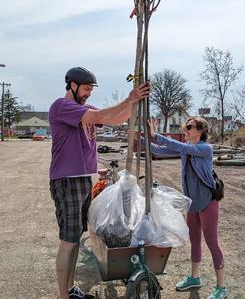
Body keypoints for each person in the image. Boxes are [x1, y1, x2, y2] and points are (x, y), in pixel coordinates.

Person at [49, 66, 150, 299]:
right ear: (72, 85)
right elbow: (99, 117)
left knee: (74, 240)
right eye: (85, 89)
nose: (88, 94)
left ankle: (71, 289)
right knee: (68, 240)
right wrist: (129, 98)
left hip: (83, 179)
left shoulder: (85, 109)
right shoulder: (62, 106)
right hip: (67, 180)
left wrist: (134, 101)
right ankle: (63, 296)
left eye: (90, 90)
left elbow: (115, 118)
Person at [147, 116, 227, 299]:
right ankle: (194, 277)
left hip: (208, 204)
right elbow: (159, 150)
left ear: (200, 130)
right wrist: (141, 138)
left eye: (189, 127)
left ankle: (221, 287)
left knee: (212, 244)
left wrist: (156, 134)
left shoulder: (205, 149)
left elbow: (181, 147)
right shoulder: (187, 150)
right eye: (185, 127)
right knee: (195, 241)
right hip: (193, 204)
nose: (185, 130)